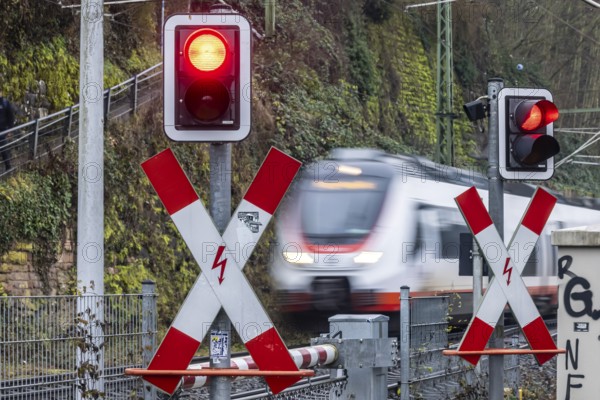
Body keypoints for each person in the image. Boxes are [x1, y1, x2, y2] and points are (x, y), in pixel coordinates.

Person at [0, 90, 15, 171]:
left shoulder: (5, 103)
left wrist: (10, 130)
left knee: (4, 149)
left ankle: (8, 167)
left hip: (3, 130)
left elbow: (11, 117)